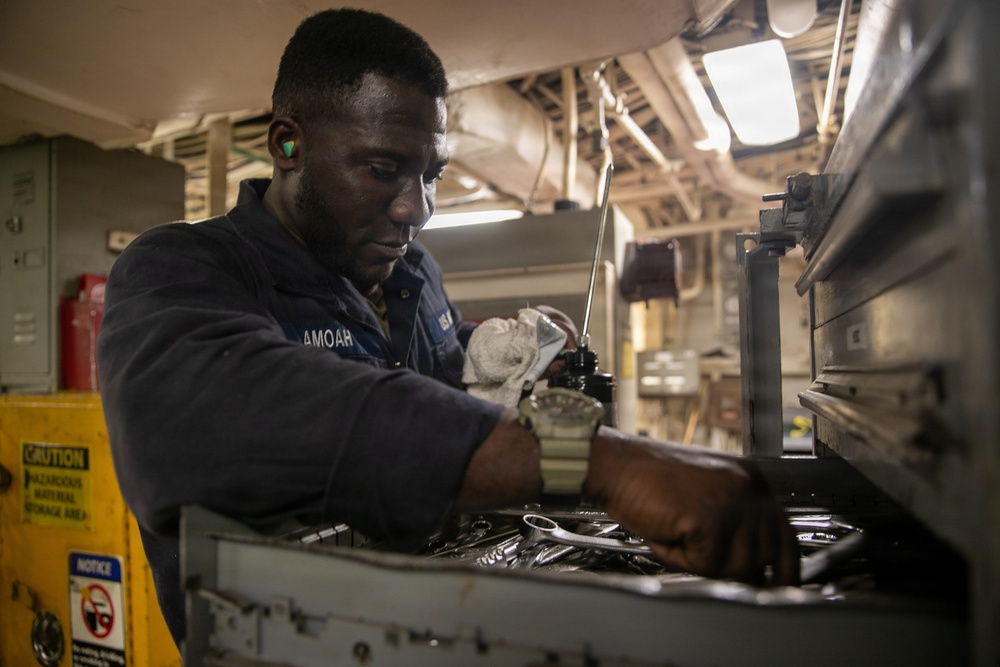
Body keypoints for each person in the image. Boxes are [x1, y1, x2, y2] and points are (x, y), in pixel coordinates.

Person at [97, 8, 799, 648]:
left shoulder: (410, 272)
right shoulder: (183, 270)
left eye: (431, 173)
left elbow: (427, 370)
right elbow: (248, 412)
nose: (417, 207)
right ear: (288, 145)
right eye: (384, 169)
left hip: (438, 625)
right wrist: (590, 459)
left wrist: (505, 353)